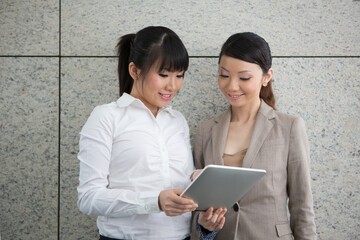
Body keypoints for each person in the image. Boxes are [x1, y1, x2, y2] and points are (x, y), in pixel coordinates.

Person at [77, 26, 200, 240]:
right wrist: (155, 202)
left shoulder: (177, 121)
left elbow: (177, 189)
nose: (173, 85)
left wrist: (198, 183)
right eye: (163, 74)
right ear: (134, 71)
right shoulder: (106, 117)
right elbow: (88, 198)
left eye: (179, 75)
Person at [191, 32, 317, 239]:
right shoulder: (206, 130)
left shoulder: (289, 127)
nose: (232, 86)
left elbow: (302, 206)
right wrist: (204, 226)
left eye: (244, 78)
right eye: (224, 75)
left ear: (266, 77)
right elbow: (197, 206)